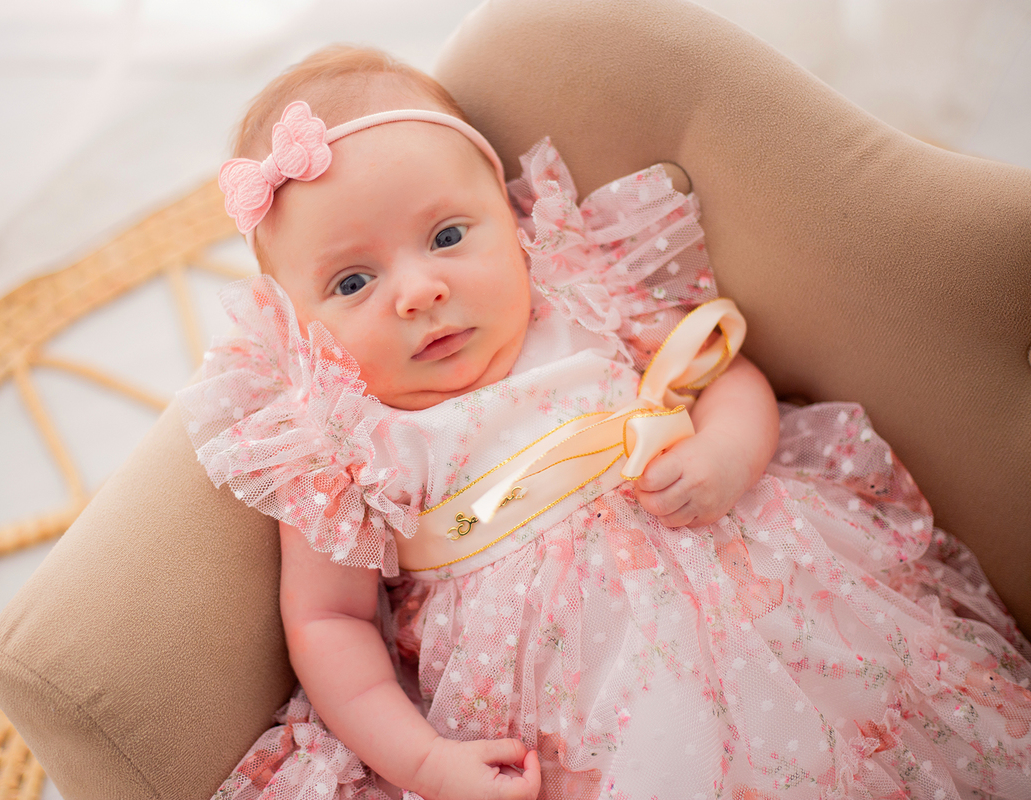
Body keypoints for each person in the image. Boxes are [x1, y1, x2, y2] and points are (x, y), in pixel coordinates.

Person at [178, 46, 1031, 800]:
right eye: (353, 284)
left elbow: (721, 369)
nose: (417, 291)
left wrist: (729, 453)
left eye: (446, 235)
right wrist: (426, 762)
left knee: (870, 722)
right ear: (297, 324)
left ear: (511, 223)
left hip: (759, 598)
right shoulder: (345, 446)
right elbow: (328, 626)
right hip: (569, 704)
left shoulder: (579, 295)